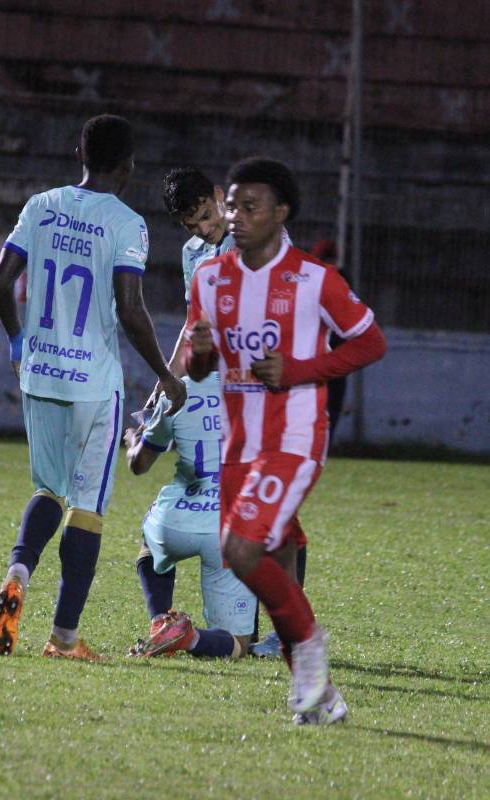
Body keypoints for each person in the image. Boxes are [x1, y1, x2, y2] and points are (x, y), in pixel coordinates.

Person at [185, 156, 387, 724]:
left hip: (294, 439)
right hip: (236, 448)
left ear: (281, 213)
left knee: (238, 550)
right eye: (231, 205)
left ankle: (312, 646)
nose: (236, 216)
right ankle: (320, 698)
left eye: (250, 207)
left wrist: (300, 369)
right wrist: (200, 352)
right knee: (272, 560)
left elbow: (370, 343)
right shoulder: (210, 279)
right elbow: (198, 367)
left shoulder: (314, 279)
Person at [0, 114, 186, 661]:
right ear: (129, 166)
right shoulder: (127, 223)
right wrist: (166, 376)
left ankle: (17, 574)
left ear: (79, 151)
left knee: (47, 489)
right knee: (88, 506)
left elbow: (0, 284)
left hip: (41, 372)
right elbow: (130, 308)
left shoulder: (40, 206)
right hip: (94, 384)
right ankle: (64, 638)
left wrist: (16, 343)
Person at [156, 167, 304, 658]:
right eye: (190, 225)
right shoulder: (193, 255)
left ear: (220, 197)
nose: (202, 229)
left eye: (204, 216)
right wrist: (168, 379)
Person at [123, 372, 256, 659]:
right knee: (238, 645)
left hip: (177, 520)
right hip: (230, 527)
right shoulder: (257, 389)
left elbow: (139, 464)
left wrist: (134, 438)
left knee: (150, 539)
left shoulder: (177, 390)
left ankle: (160, 620)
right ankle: (189, 638)